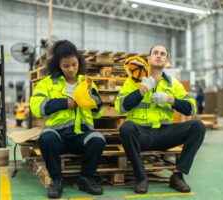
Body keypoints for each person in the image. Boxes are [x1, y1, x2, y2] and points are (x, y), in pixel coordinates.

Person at [115, 44, 206, 194]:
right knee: (126, 127)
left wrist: (170, 99)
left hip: (165, 133)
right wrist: (142, 89)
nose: (158, 56)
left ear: (167, 59)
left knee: (198, 126)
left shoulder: (173, 84)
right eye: (155, 53)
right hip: (141, 134)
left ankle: (177, 175)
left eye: (162, 54)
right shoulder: (133, 81)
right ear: (149, 58)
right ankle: (141, 177)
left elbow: (191, 108)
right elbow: (121, 107)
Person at [30, 40, 105, 198]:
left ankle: (87, 178)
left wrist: (92, 97)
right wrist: (66, 103)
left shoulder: (87, 83)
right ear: (58, 65)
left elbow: (98, 113)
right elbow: (37, 107)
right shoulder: (47, 83)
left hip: (82, 135)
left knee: (98, 139)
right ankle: (57, 180)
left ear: (79, 61)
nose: (71, 69)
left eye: (74, 64)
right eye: (66, 66)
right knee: (46, 137)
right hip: (58, 136)